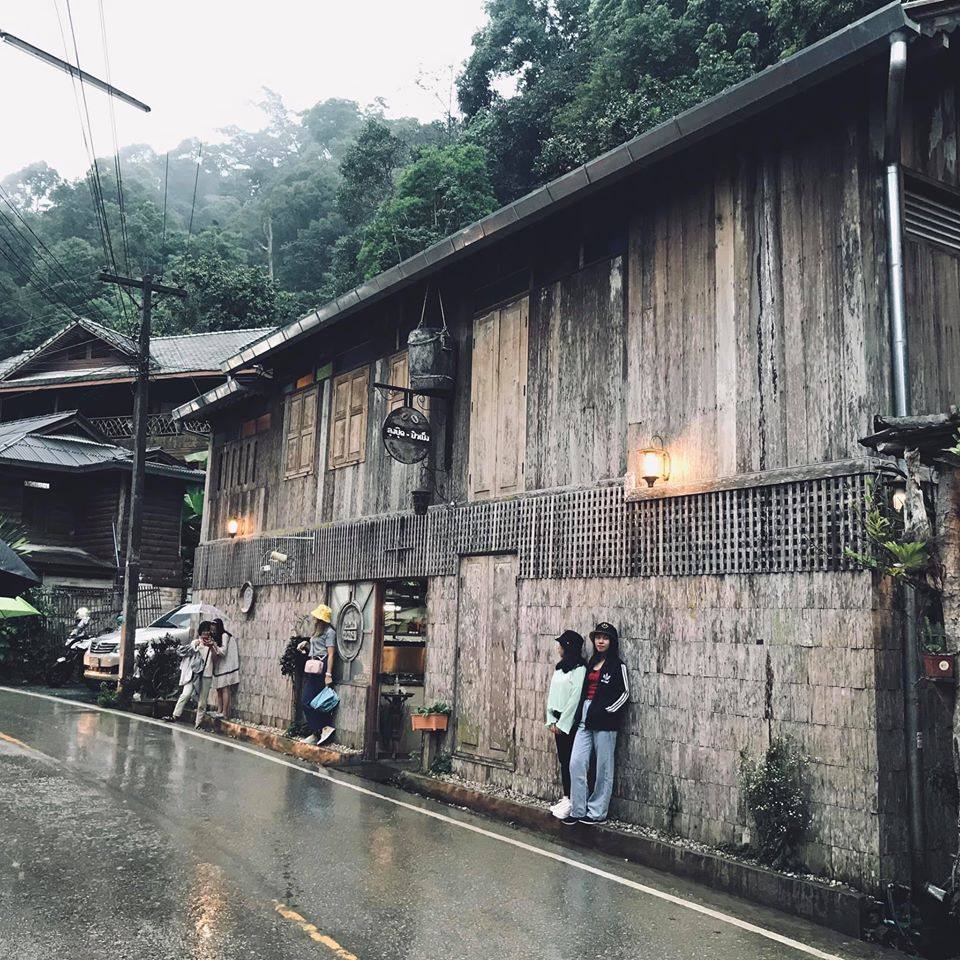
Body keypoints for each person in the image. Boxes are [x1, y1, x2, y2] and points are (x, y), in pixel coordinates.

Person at [563, 621, 629, 826]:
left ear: (612, 641)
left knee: (603, 768)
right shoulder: (590, 663)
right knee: (576, 763)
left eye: (605, 638)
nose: (601, 641)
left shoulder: (618, 666)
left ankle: (597, 812)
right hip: (585, 719)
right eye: (598, 637)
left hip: (605, 723)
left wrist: (608, 712)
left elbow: (625, 693)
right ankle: (579, 808)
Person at [545, 630, 587, 820]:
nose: (558, 648)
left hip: (568, 723)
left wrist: (563, 724)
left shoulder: (580, 669)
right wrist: (551, 720)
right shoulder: (560, 668)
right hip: (556, 722)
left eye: (561, 644)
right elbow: (553, 694)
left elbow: (575, 698)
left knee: (572, 762)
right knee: (563, 761)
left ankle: (573, 800)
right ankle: (566, 797)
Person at [297, 604, 337, 745]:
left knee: (309, 701)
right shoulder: (317, 632)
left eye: (316, 618)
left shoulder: (329, 632)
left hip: (322, 668)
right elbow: (316, 649)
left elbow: (330, 654)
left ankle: (321, 729)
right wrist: (306, 645)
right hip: (314, 667)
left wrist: (328, 674)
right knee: (310, 702)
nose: (314, 619)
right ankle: (317, 731)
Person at [163, 633, 204, 723]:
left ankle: (200, 721)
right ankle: (175, 715)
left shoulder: (205, 647)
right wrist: (195, 645)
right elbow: (183, 651)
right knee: (185, 694)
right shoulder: (193, 646)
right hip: (190, 675)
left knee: (199, 697)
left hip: (201, 675)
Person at [193, 620, 224, 729]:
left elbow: (215, 659)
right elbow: (192, 653)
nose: (206, 633)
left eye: (208, 631)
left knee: (203, 700)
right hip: (197, 673)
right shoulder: (196, 642)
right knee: (193, 695)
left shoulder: (212, 643)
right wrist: (198, 644)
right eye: (204, 631)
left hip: (207, 674)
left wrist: (212, 647)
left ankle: (198, 723)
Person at [211, 618, 240, 720]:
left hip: (225, 666)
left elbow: (223, 652)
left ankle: (224, 712)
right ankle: (219, 710)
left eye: (214, 626)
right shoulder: (216, 636)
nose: (213, 629)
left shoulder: (224, 635)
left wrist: (214, 645)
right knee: (218, 689)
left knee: (224, 689)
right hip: (219, 666)